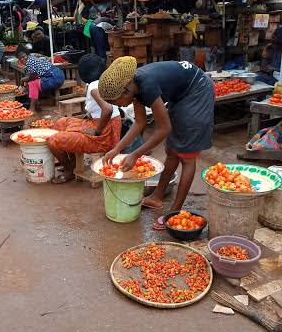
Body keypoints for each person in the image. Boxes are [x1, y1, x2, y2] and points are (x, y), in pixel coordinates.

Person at [99, 57, 215, 230]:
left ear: (126, 90)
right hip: (182, 93)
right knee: (172, 149)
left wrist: (135, 154)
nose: (118, 106)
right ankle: (157, 196)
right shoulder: (135, 87)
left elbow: (164, 128)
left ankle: (174, 212)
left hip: (197, 89)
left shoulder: (147, 86)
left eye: (116, 102)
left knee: (186, 155)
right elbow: (139, 123)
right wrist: (117, 149)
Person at [47, 54, 122, 184]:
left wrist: (97, 131)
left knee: (53, 141)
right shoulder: (101, 82)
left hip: (103, 136)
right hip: (105, 126)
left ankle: (69, 170)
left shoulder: (94, 85)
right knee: (61, 122)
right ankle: (71, 162)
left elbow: (108, 109)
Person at [16, 44, 64, 111]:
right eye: (20, 58)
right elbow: (32, 75)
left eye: (24, 56)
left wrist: (22, 80)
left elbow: (33, 76)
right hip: (56, 75)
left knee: (32, 83)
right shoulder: (31, 58)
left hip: (55, 78)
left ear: (27, 54)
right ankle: (37, 104)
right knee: (31, 82)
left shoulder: (30, 61)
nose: (23, 59)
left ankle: (32, 108)